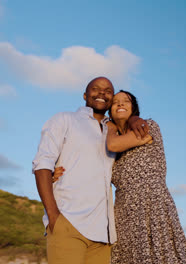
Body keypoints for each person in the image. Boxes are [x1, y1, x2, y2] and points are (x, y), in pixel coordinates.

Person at [54, 90, 186, 264]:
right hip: (123, 211)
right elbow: (91, 168)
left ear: (133, 108)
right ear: (110, 110)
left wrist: (111, 127)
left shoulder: (147, 126)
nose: (120, 104)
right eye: (115, 102)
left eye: (125, 101)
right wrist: (56, 171)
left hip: (152, 203)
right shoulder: (105, 144)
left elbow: (114, 145)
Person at [32, 77, 149, 264]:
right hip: (69, 222)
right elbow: (42, 164)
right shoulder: (65, 119)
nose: (102, 93)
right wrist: (54, 217)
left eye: (108, 91)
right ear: (85, 95)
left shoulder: (116, 134)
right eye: (96, 89)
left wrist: (134, 117)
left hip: (104, 234)